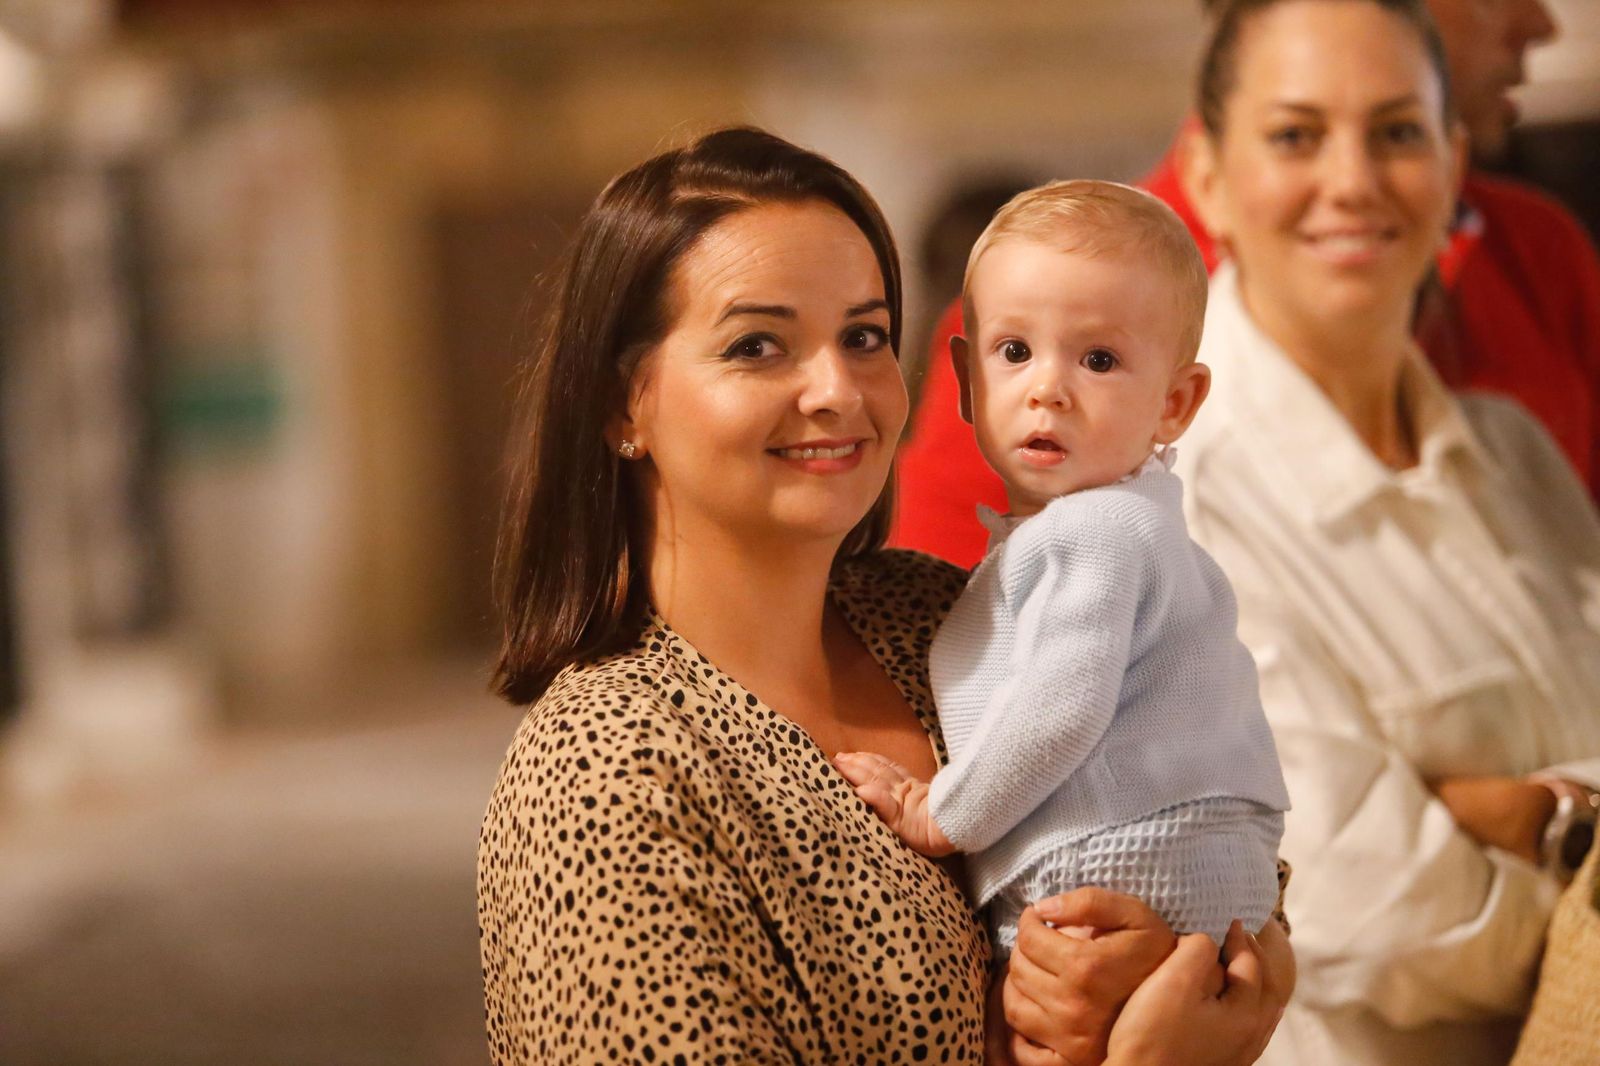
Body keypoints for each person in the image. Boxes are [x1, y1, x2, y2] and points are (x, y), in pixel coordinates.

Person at [476, 126, 1293, 1065]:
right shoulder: (608, 771)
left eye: (863, 337)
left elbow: (1221, 845)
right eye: (756, 345)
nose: (837, 389)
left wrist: (1168, 959)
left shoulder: (935, 613)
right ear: (625, 403)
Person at [1177, 1, 1600, 1062]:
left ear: (1453, 165)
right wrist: (1577, 840)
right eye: (1296, 135)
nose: (1353, 180)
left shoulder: (1516, 453)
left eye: (1398, 132)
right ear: (1207, 176)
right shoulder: (1172, 500)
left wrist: (1524, 822)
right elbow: (1370, 915)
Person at [896, 0, 1600, 567]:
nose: (1540, 23)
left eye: (1397, 134)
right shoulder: (1038, 321)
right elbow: (942, 652)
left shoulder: (1537, 257)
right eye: (1296, 135)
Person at [833, 180, 1288, 958]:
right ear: (967, 379)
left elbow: (1060, 708)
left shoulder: (1095, 534)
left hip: (1121, 854)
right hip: (1201, 857)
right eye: (1014, 352)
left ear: (1175, 403)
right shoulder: (1140, 526)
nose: (1048, 390)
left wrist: (939, 815)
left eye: (1099, 360)